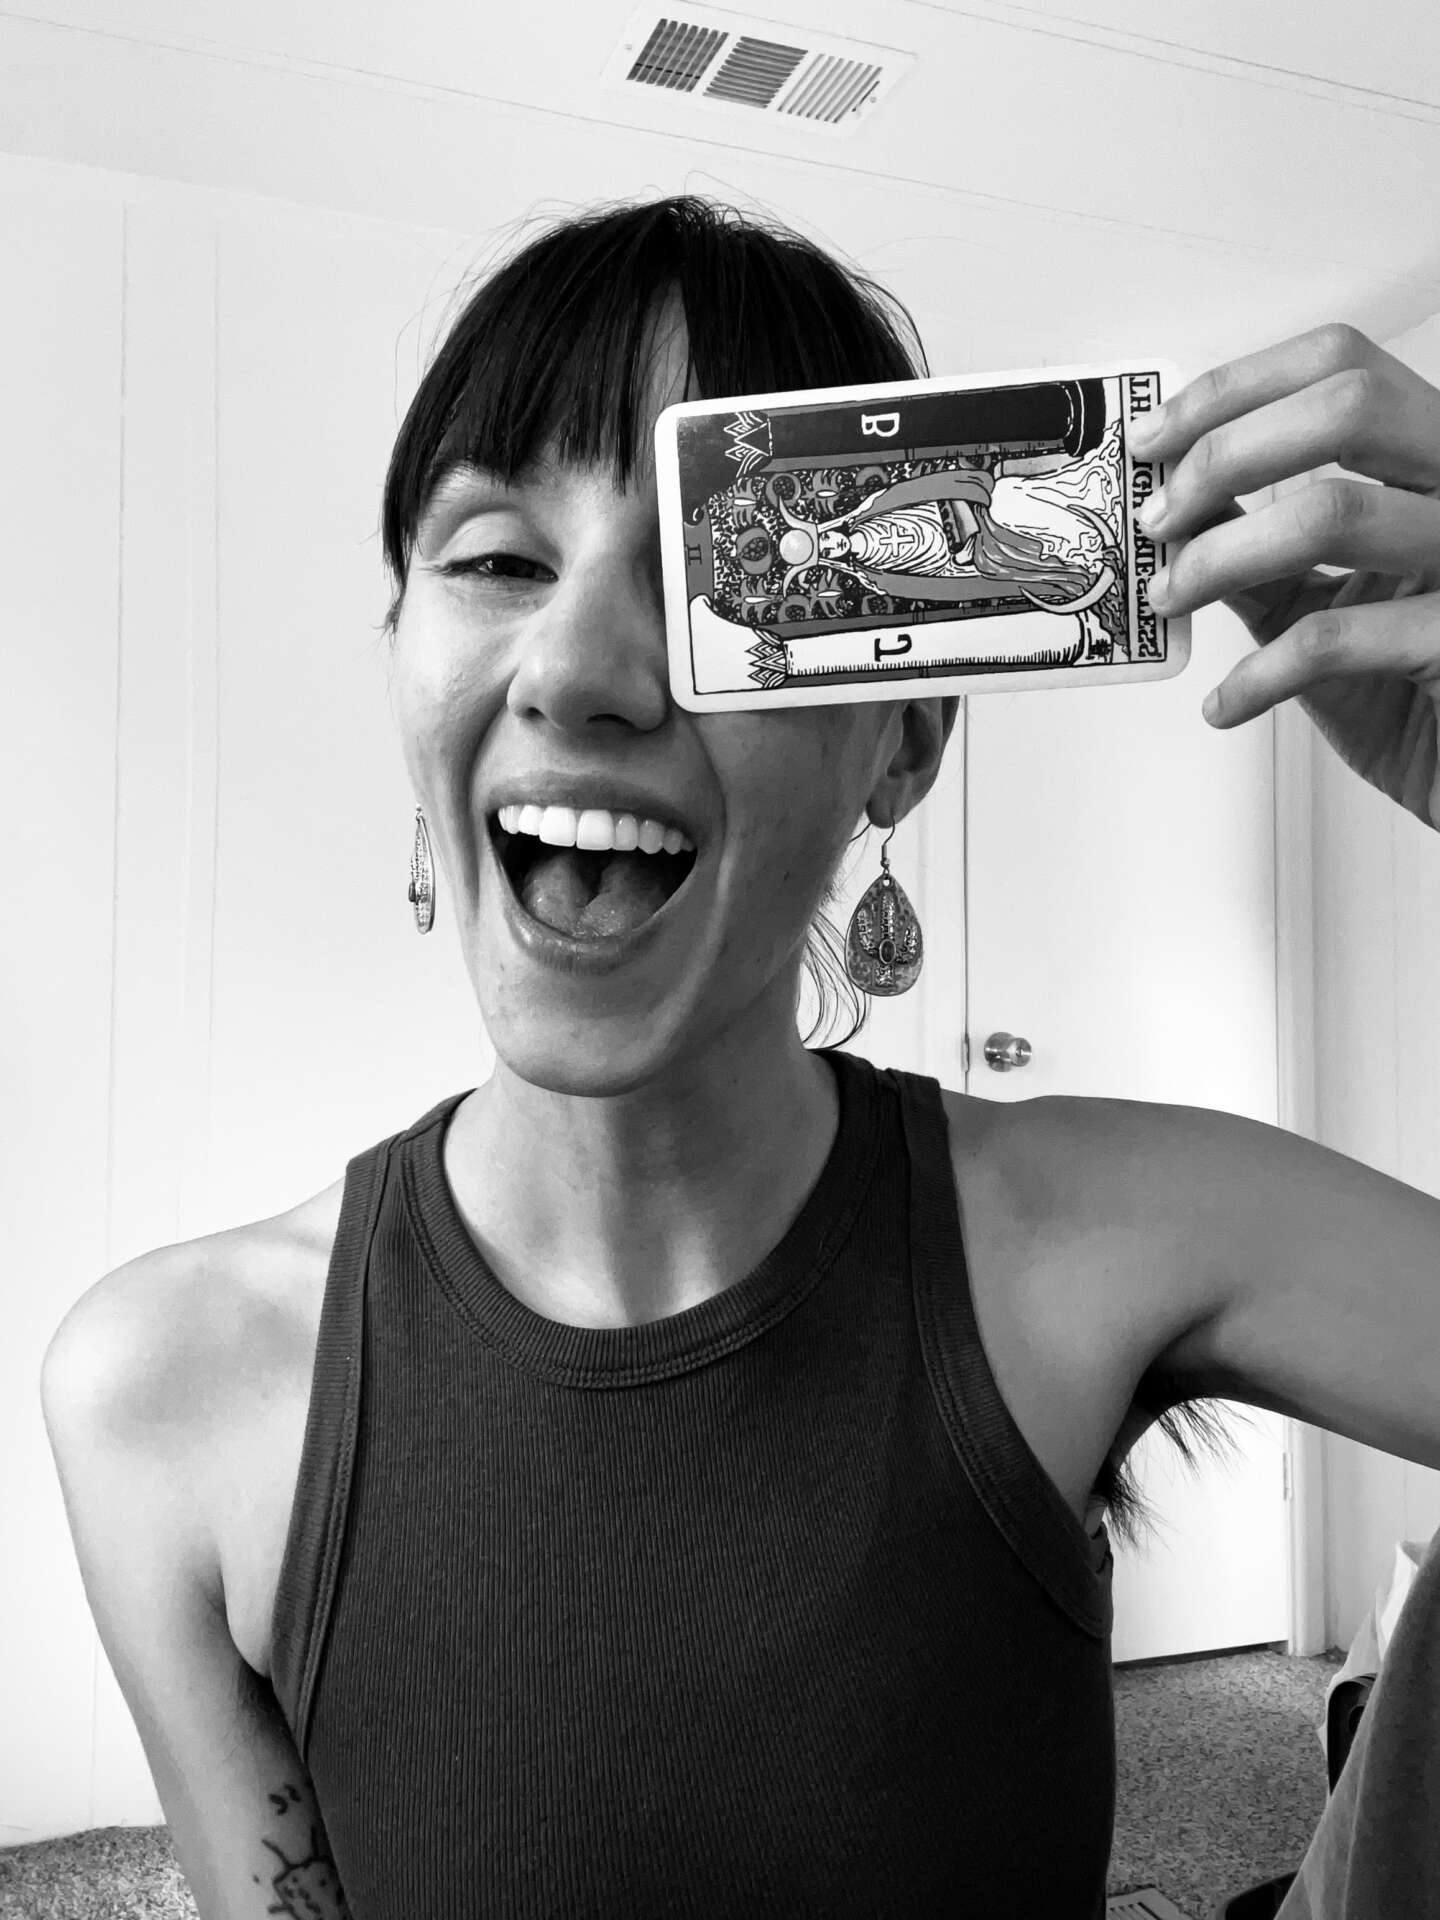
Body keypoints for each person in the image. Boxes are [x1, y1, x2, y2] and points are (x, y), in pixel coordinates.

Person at [39, 195, 1440, 1919]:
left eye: (731, 571)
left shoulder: (1138, 1224)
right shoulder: (160, 1395)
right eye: (497, 560)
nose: (577, 669)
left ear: (902, 739)